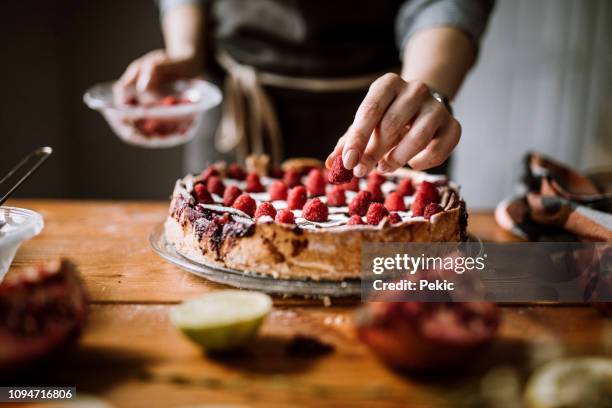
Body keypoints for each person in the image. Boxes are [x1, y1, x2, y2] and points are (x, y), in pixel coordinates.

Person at [117, 0, 494, 176]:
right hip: (240, 113)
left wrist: (424, 86)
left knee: (400, 289)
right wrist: (186, 51)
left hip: (388, 118)